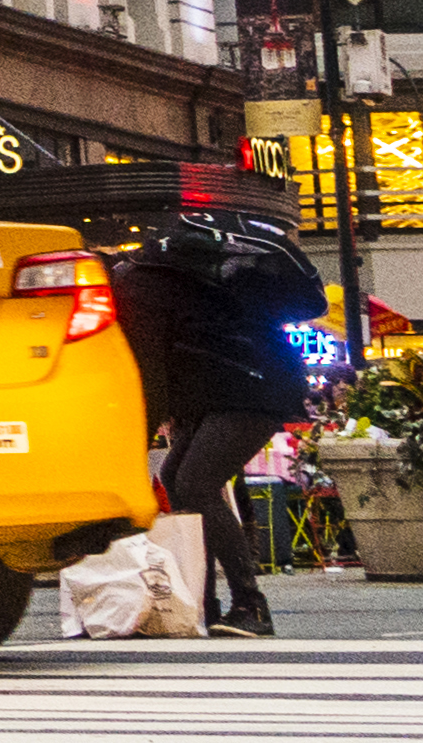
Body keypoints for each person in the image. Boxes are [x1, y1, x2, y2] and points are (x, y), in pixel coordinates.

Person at [130, 187, 316, 637]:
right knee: (178, 481)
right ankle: (206, 601)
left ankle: (250, 603)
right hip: (231, 388)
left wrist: (136, 438)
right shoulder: (164, 284)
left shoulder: (141, 292)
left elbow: (154, 370)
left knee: (195, 484)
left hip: (247, 390)